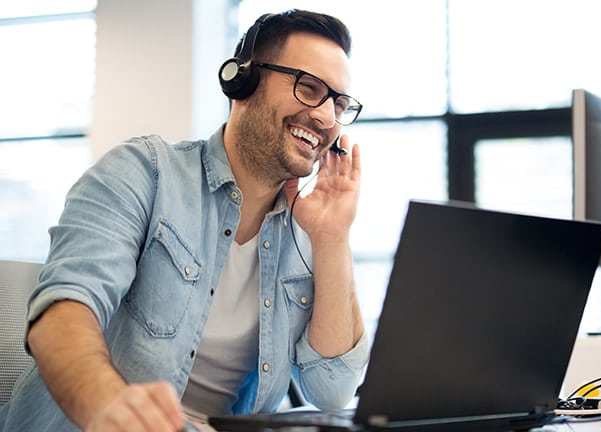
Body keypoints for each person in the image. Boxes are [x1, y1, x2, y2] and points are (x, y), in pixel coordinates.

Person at [0, 9, 368, 432]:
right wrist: (106, 406)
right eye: (309, 88)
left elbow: (333, 389)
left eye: (339, 104)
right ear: (241, 82)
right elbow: (64, 311)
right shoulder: (144, 173)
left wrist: (332, 237)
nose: (326, 117)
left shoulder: (309, 234)